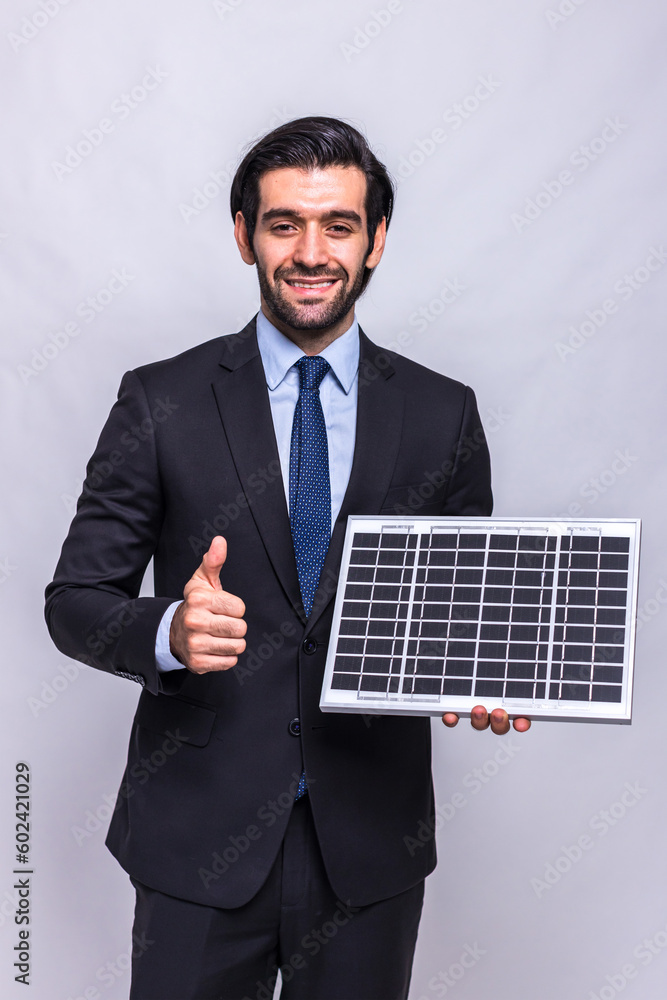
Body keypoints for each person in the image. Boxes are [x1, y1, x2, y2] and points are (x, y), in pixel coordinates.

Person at [45, 116, 530, 1000]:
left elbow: (465, 612)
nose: (311, 253)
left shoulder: (442, 414)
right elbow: (75, 600)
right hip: (196, 838)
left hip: (368, 846)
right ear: (245, 236)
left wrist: (481, 674)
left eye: (338, 225)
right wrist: (169, 632)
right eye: (283, 225)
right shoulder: (160, 401)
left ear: (375, 239)